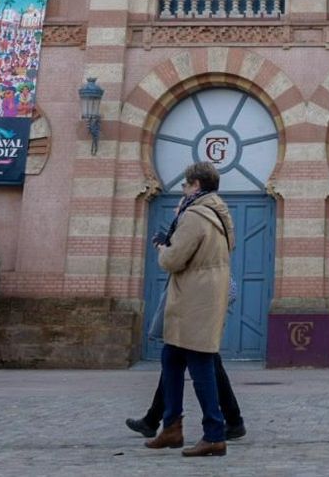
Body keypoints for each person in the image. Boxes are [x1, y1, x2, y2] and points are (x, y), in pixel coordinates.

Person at [143, 162, 235, 458]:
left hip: (195, 297)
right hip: (204, 292)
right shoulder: (218, 212)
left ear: (196, 185)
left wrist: (161, 247)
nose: (182, 189)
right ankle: (171, 426)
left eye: (185, 185)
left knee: (200, 365)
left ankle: (214, 433)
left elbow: (173, 260)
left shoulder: (196, 215)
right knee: (172, 358)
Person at [127, 276, 246, 440]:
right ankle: (153, 420)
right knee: (180, 364)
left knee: (186, 366)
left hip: (195, 315)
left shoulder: (202, 254)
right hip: (195, 313)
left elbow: (172, 261)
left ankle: (222, 426)